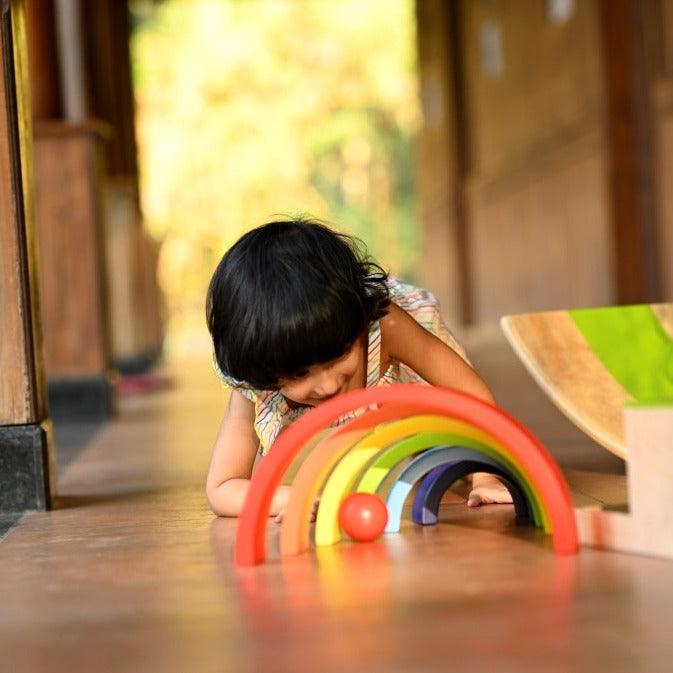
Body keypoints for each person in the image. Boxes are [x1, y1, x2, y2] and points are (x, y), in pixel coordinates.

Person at [205, 217, 512, 520]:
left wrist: (485, 473)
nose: (327, 385)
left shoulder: (384, 324)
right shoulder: (260, 372)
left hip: (403, 370)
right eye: (300, 374)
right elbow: (223, 487)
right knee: (263, 475)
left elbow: (469, 394)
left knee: (439, 422)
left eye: (337, 356)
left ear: (356, 325)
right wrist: (293, 498)